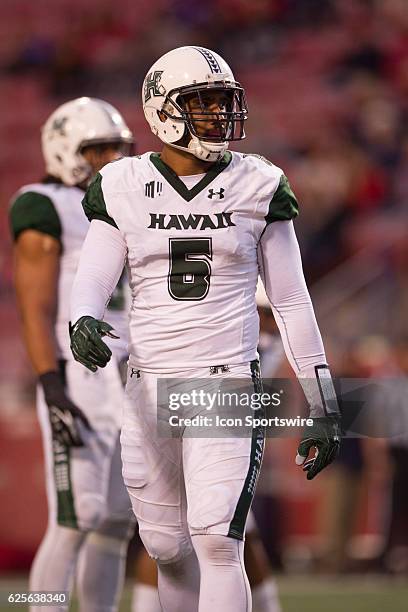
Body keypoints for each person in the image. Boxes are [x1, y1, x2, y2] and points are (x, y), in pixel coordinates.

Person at [69, 47, 341, 612]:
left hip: (225, 381)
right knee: (167, 548)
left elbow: (291, 300)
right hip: (147, 385)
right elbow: (94, 272)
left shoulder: (258, 182)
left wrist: (323, 402)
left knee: (218, 539)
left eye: (224, 102)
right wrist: (82, 317)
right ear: (163, 110)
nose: (219, 116)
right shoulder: (121, 183)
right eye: (205, 103)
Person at [9, 97, 158, 612]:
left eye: (119, 149)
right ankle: (36, 606)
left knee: (119, 520)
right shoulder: (43, 203)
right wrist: (51, 383)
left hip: (133, 374)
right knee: (78, 516)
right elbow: (37, 307)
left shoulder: (133, 204)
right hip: (80, 375)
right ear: (65, 151)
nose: (112, 160)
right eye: (99, 150)